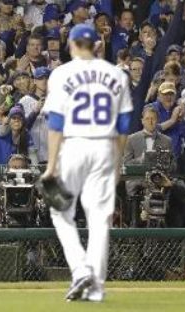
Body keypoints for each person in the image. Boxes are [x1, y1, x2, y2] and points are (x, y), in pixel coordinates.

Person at [41, 24, 133, 302]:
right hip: (105, 147)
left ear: (71, 44)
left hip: (73, 146)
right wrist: (116, 165)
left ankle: (80, 268)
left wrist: (51, 166)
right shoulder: (117, 74)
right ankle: (95, 286)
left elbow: (55, 124)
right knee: (99, 219)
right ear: (96, 45)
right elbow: (124, 126)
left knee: (60, 213)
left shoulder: (61, 73)